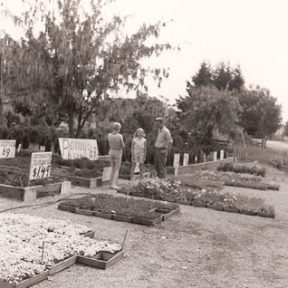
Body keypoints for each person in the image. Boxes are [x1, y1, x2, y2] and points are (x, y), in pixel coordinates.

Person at [107, 122, 125, 190]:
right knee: (117, 169)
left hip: (111, 151)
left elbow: (109, 143)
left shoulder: (109, 135)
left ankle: (110, 183)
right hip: (118, 151)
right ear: (119, 128)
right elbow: (122, 145)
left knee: (112, 168)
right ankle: (113, 184)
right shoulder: (119, 136)